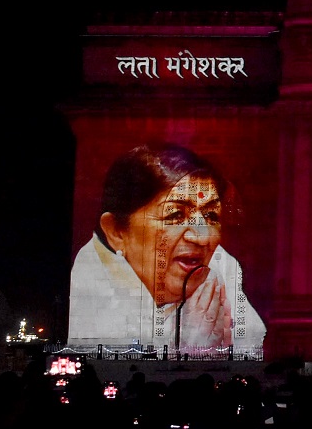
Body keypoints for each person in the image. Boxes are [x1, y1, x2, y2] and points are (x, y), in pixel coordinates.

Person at [68, 143, 265, 354]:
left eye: (211, 216)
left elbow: (252, 348)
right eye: (175, 216)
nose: (203, 237)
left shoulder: (218, 265)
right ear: (117, 231)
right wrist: (193, 352)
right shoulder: (88, 298)